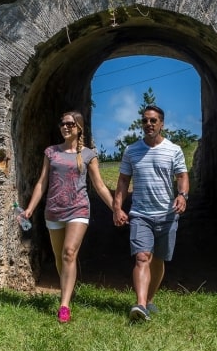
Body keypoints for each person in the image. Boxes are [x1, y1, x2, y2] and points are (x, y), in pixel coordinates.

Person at [20, 110, 117, 324]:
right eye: (63, 123)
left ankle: (64, 305)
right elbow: (42, 182)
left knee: (69, 253)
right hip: (54, 210)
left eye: (71, 124)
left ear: (79, 128)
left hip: (78, 209)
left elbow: (99, 186)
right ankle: (68, 287)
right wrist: (29, 209)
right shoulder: (51, 152)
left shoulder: (89, 155)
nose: (65, 127)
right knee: (59, 257)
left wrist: (115, 208)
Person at [111, 105, 189, 322]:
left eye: (153, 121)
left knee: (159, 260)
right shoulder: (131, 151)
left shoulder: (174, 150)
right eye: (145, 121)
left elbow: (182, 176)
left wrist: (182, 196)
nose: (149, 124)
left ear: (161, 123)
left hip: (167, 214)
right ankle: (141, 304)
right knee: (142, 257)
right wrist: (117, 207)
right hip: (140, 214)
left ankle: (150, 299)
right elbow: (123, 181)